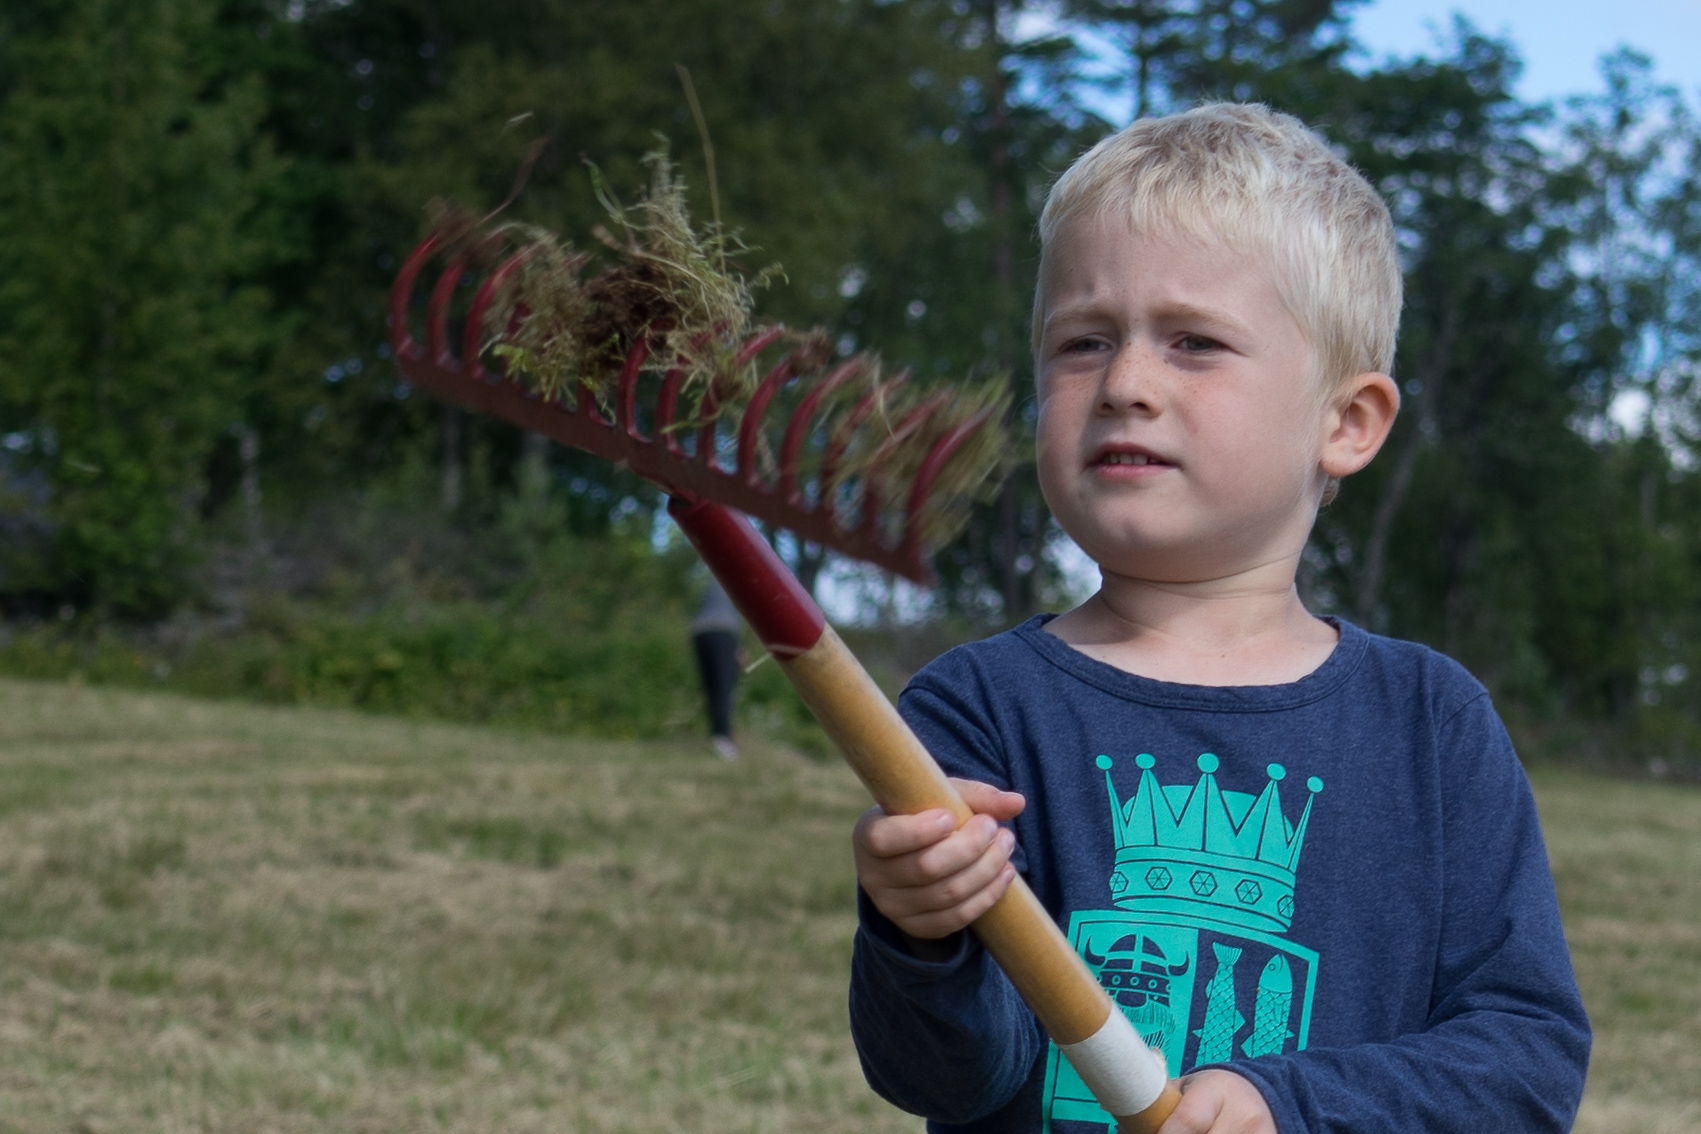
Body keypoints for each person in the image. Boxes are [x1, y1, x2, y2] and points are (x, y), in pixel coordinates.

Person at [848, 104, 1589, 1134]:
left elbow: (1523, 1065)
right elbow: (948, 1079)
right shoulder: (978, 710)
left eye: (1194, 343)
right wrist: (921, 931)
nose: (1125, 384)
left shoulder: (1432, 725)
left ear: (1345, 422)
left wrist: (1291, 1103)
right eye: (1082, 341)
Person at [692, 576, 743, 760]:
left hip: (699, 633)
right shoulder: (738, 581)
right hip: (723, 633)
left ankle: (718, 735)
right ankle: (722, 738)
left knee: (711, 687)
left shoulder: (712, 582)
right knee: (724, 686)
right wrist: (739, 648)